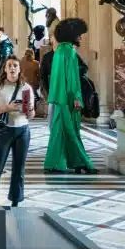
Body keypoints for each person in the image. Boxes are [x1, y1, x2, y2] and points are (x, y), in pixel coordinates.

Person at [43, 18, 97, 174]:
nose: (81, 37)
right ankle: (82, 162)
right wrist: (77, 98)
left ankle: (54, 163)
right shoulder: (70, 52)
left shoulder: (59, 51)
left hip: (59, 99)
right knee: (72, 131)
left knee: (59, 131)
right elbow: (72, 79)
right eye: (79, 34)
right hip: (68, 99)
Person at [0, 56, 35, 207]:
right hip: (3, 131)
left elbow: (30, 116)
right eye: (9, 66)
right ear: (5, 69)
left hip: (22, 131)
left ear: (19, 69)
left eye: (15, 66)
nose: (12, 68)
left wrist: (30, 110)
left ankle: (16, 202)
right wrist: (7, 108)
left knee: (19, 169)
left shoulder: (26, 88)